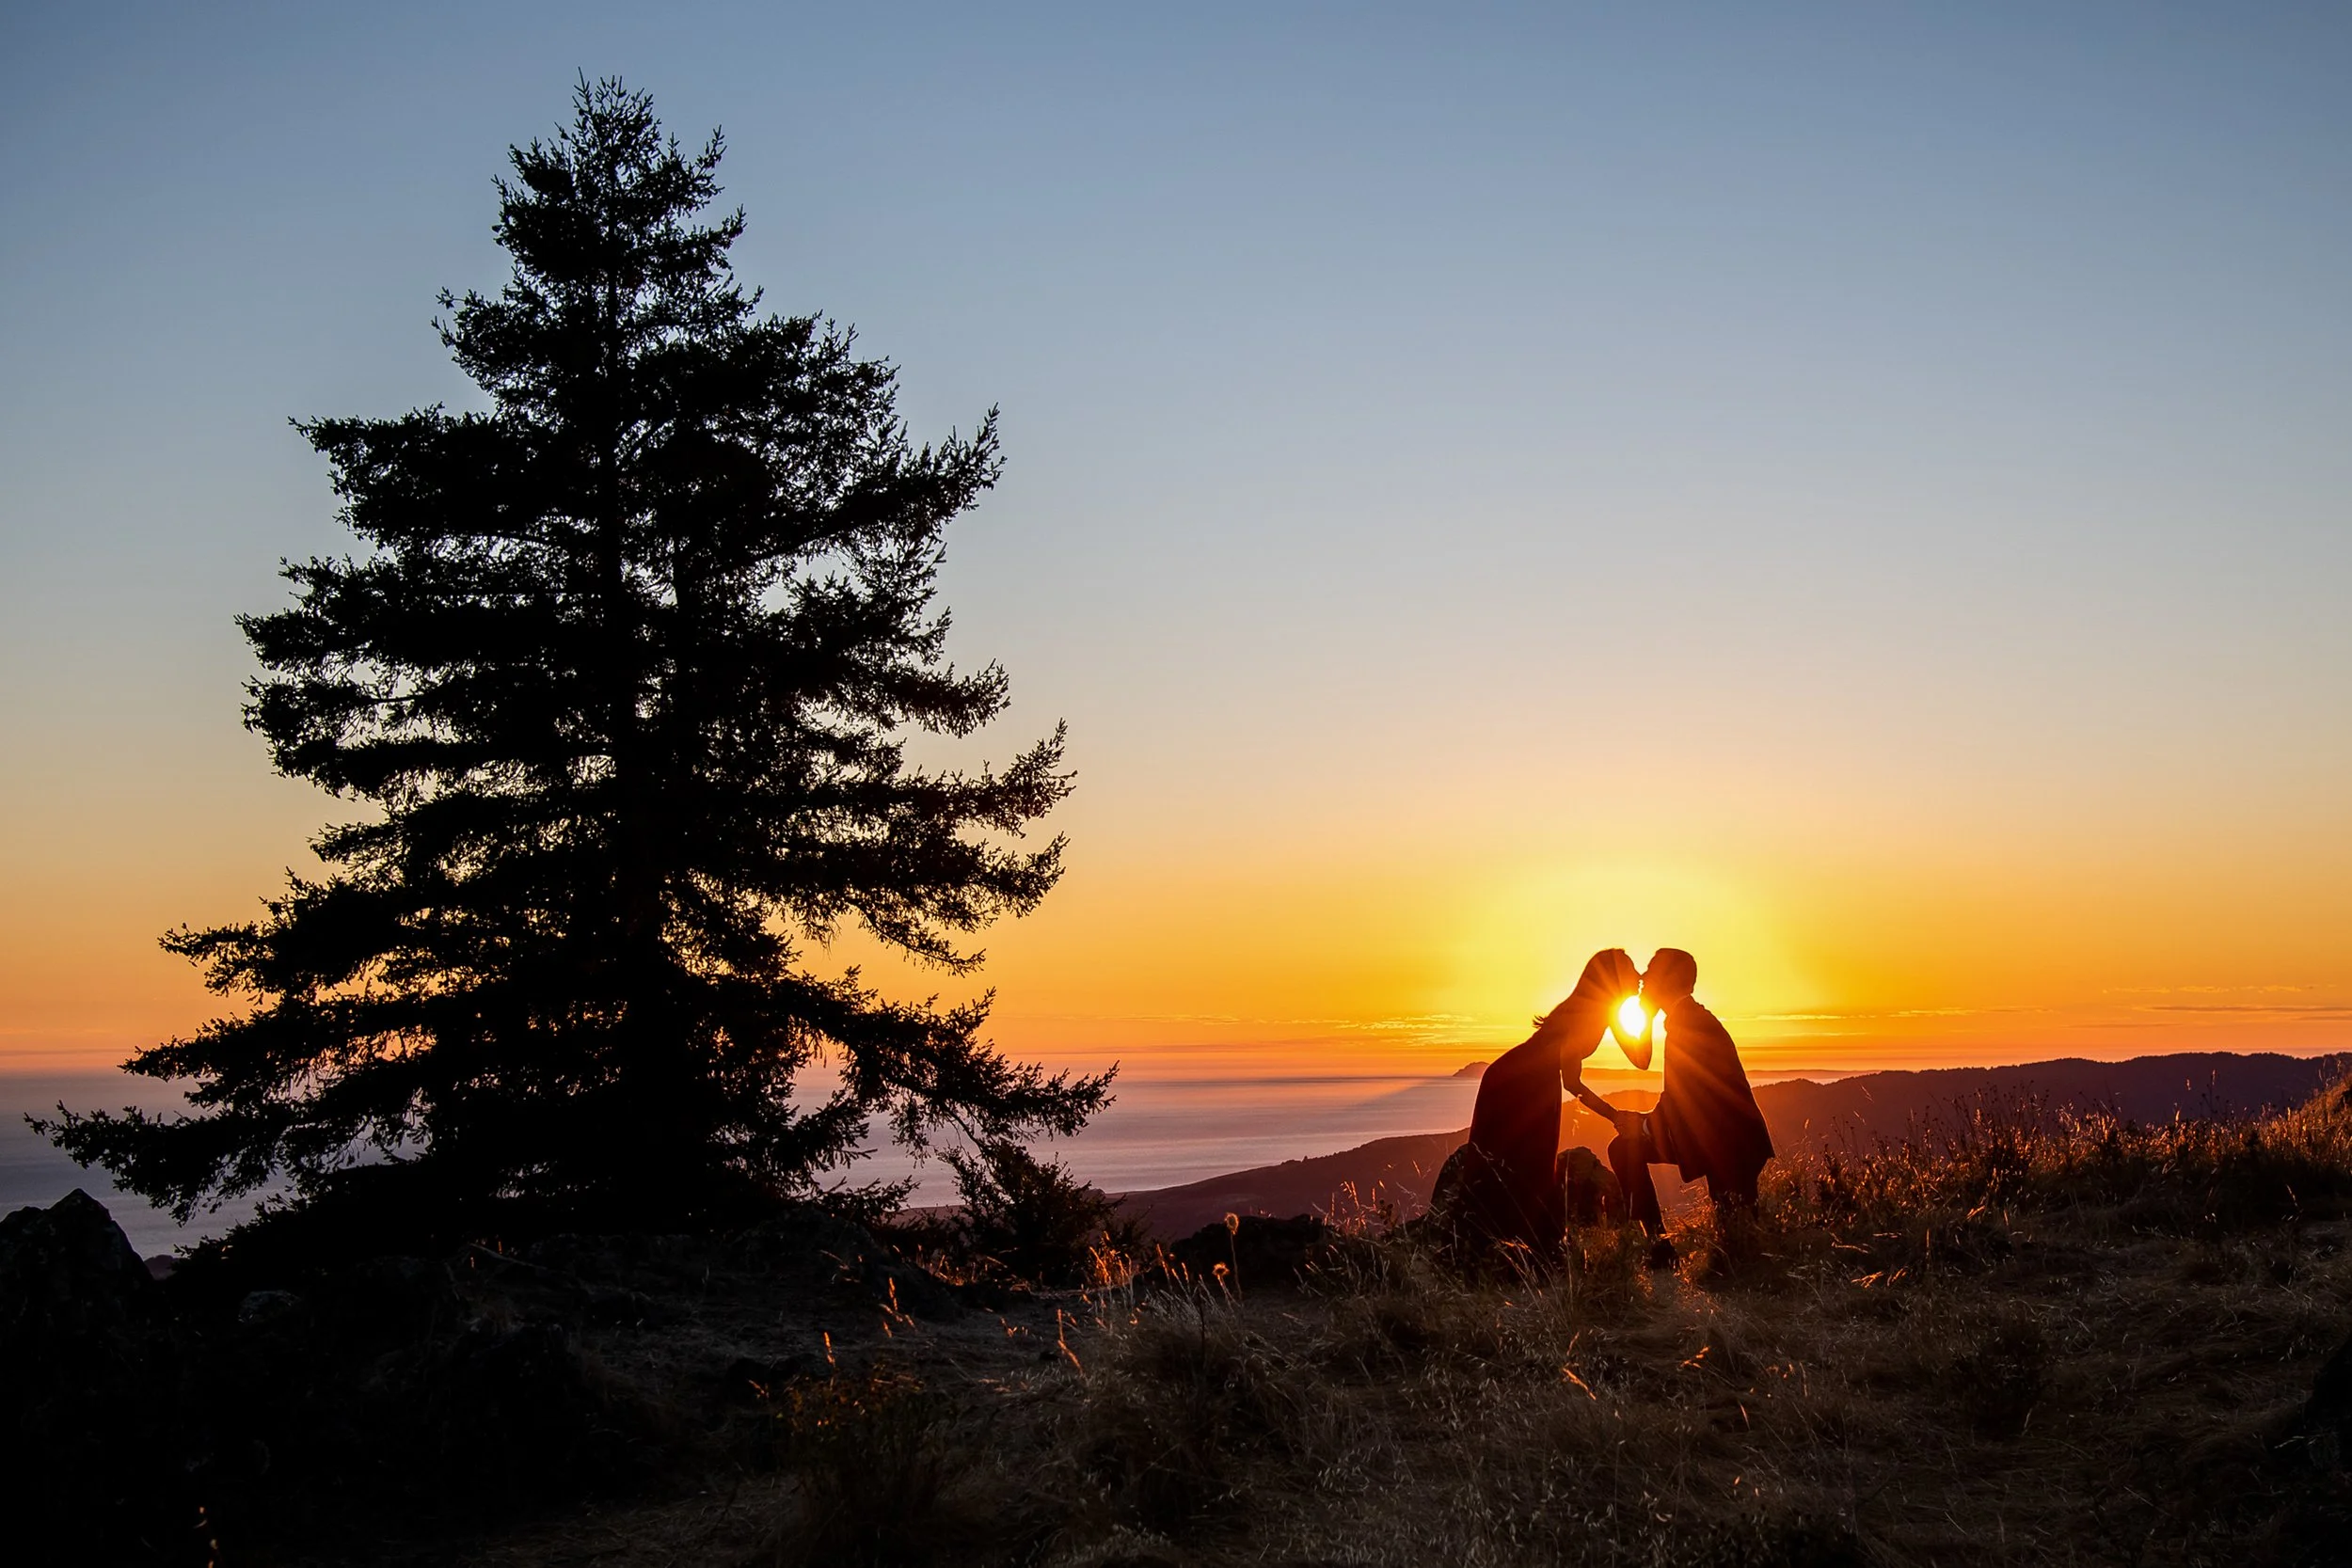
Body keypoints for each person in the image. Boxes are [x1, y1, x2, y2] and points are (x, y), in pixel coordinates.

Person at [1443, 948, 1645, 1266]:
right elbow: (1573, 1084)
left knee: (1525, 1162)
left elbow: (1641, 1058)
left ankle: (1507, 1250)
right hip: (1516, 1083)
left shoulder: (1608, 1011)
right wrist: (1614, 1115)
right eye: (1632, 970)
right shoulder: (1588, 1014)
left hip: (1530, 1082)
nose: (1639, 976)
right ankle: (1510, 1251)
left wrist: (1644, 1010)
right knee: (1520, 1162)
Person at [1606, 947, 1773, 1267]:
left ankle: (1663, 1250)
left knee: (1739, 1242)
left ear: (1668, 981)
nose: (1642, 977)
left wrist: (1642, 1125)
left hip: (1730, 1145)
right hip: (1718, 1139)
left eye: (1651, 971)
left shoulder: (1689, 1026)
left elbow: (1680, 1098)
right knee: (1624, 1149)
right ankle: (1661, 1248)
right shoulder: (1687, 1020)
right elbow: (1678, 1097)